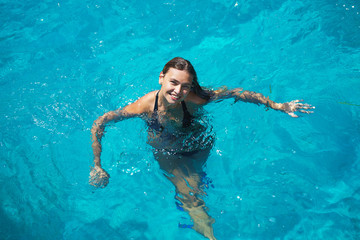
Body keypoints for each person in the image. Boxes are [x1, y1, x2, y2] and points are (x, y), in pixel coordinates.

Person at [89, 57, 314, 240]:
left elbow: (236, 93)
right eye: (173, 82)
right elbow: (100, 122)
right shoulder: (146, 104)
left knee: (195, 187)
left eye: (185, 86)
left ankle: (198, 201)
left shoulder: (197, 99)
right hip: (167, 150)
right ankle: (208, 234)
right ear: (161, 78)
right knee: (190, 194)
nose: (178, 91)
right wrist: (97, 165)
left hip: (198, 146)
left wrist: (277, 105)